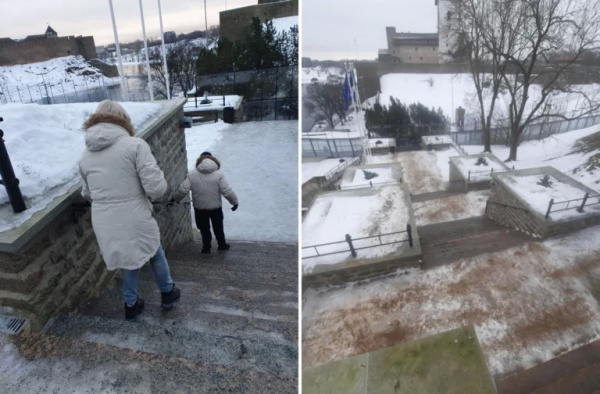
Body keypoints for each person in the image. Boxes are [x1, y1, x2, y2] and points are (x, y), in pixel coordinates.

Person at [79, 100, 180, 320]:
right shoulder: (135, 145)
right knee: (154, 252)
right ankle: (168, 293)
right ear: (123, 120)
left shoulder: (86, 155)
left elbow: (86, 193)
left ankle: (131, 304)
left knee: (129, 259)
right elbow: (156, 188)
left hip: (104, 219)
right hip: (134, 215)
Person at [172, 152, 238, 254]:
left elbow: (183, 190)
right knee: (218, 227)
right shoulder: (218, 175)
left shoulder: (191, 175)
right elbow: (226, 191)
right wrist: (234, 202)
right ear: (213, 160)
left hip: (200, 208)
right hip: (216, 208)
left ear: (199, 161)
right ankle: (222, 245)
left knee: (204, 229)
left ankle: (206, 248)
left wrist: (175, 199)